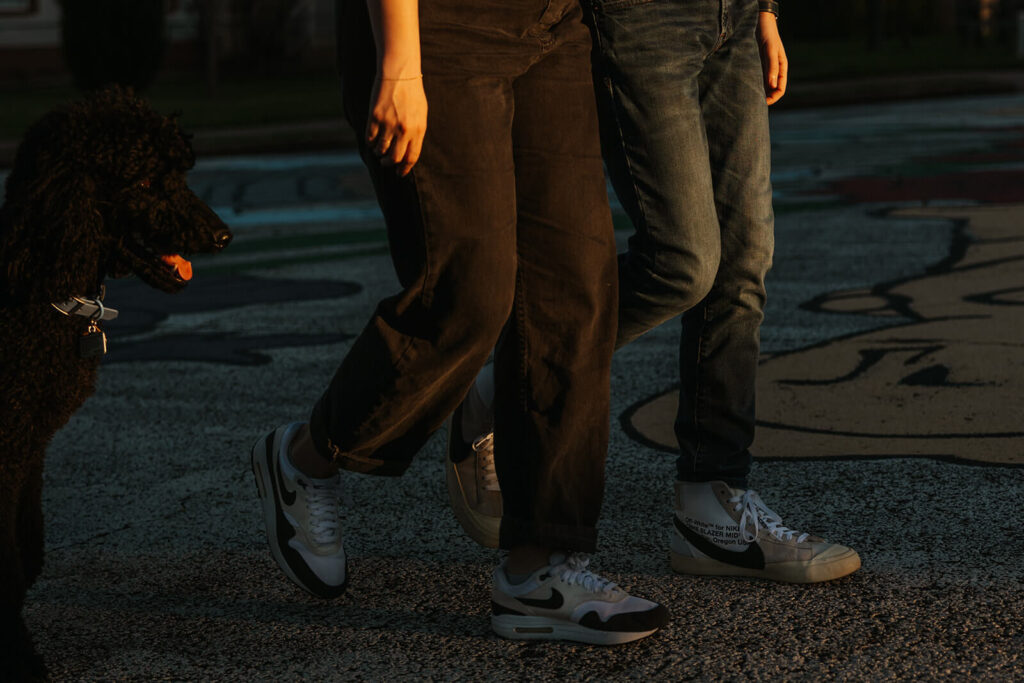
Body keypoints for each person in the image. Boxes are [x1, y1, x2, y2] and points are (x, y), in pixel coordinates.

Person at [250, 0, 670, 645]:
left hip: (554, 27)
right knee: (467, 294)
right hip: (433, 32)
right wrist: (397, 64)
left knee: (574, 295)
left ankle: (540, 574)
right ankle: (309, 453)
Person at [447, 0, 862, 584]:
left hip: (736, 17)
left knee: (743, 262)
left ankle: (711, 504)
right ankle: (509, 383)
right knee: (683, 261)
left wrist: (766, 11)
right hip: (642, 16)